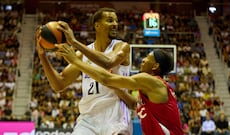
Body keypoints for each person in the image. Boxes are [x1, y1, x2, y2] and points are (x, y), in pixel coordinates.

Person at [36, 7, 135, 135]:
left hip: (116, 115)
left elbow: (108, 62)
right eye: (110, 21)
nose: (115, 24)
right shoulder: (81, 54)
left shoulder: (121, 46)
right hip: (88, 118)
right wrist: (42, 55)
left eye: (116, 21)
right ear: (97, 25)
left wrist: (74, 42)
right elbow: (59, 84)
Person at [55, 41, 184, 135]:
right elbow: (134, 104)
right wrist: (113, 85)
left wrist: (76, 61)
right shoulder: (154, 88)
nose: (143, 60)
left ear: (155, 66)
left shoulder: (149, 80)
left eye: (147, 58)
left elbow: (106, 79)